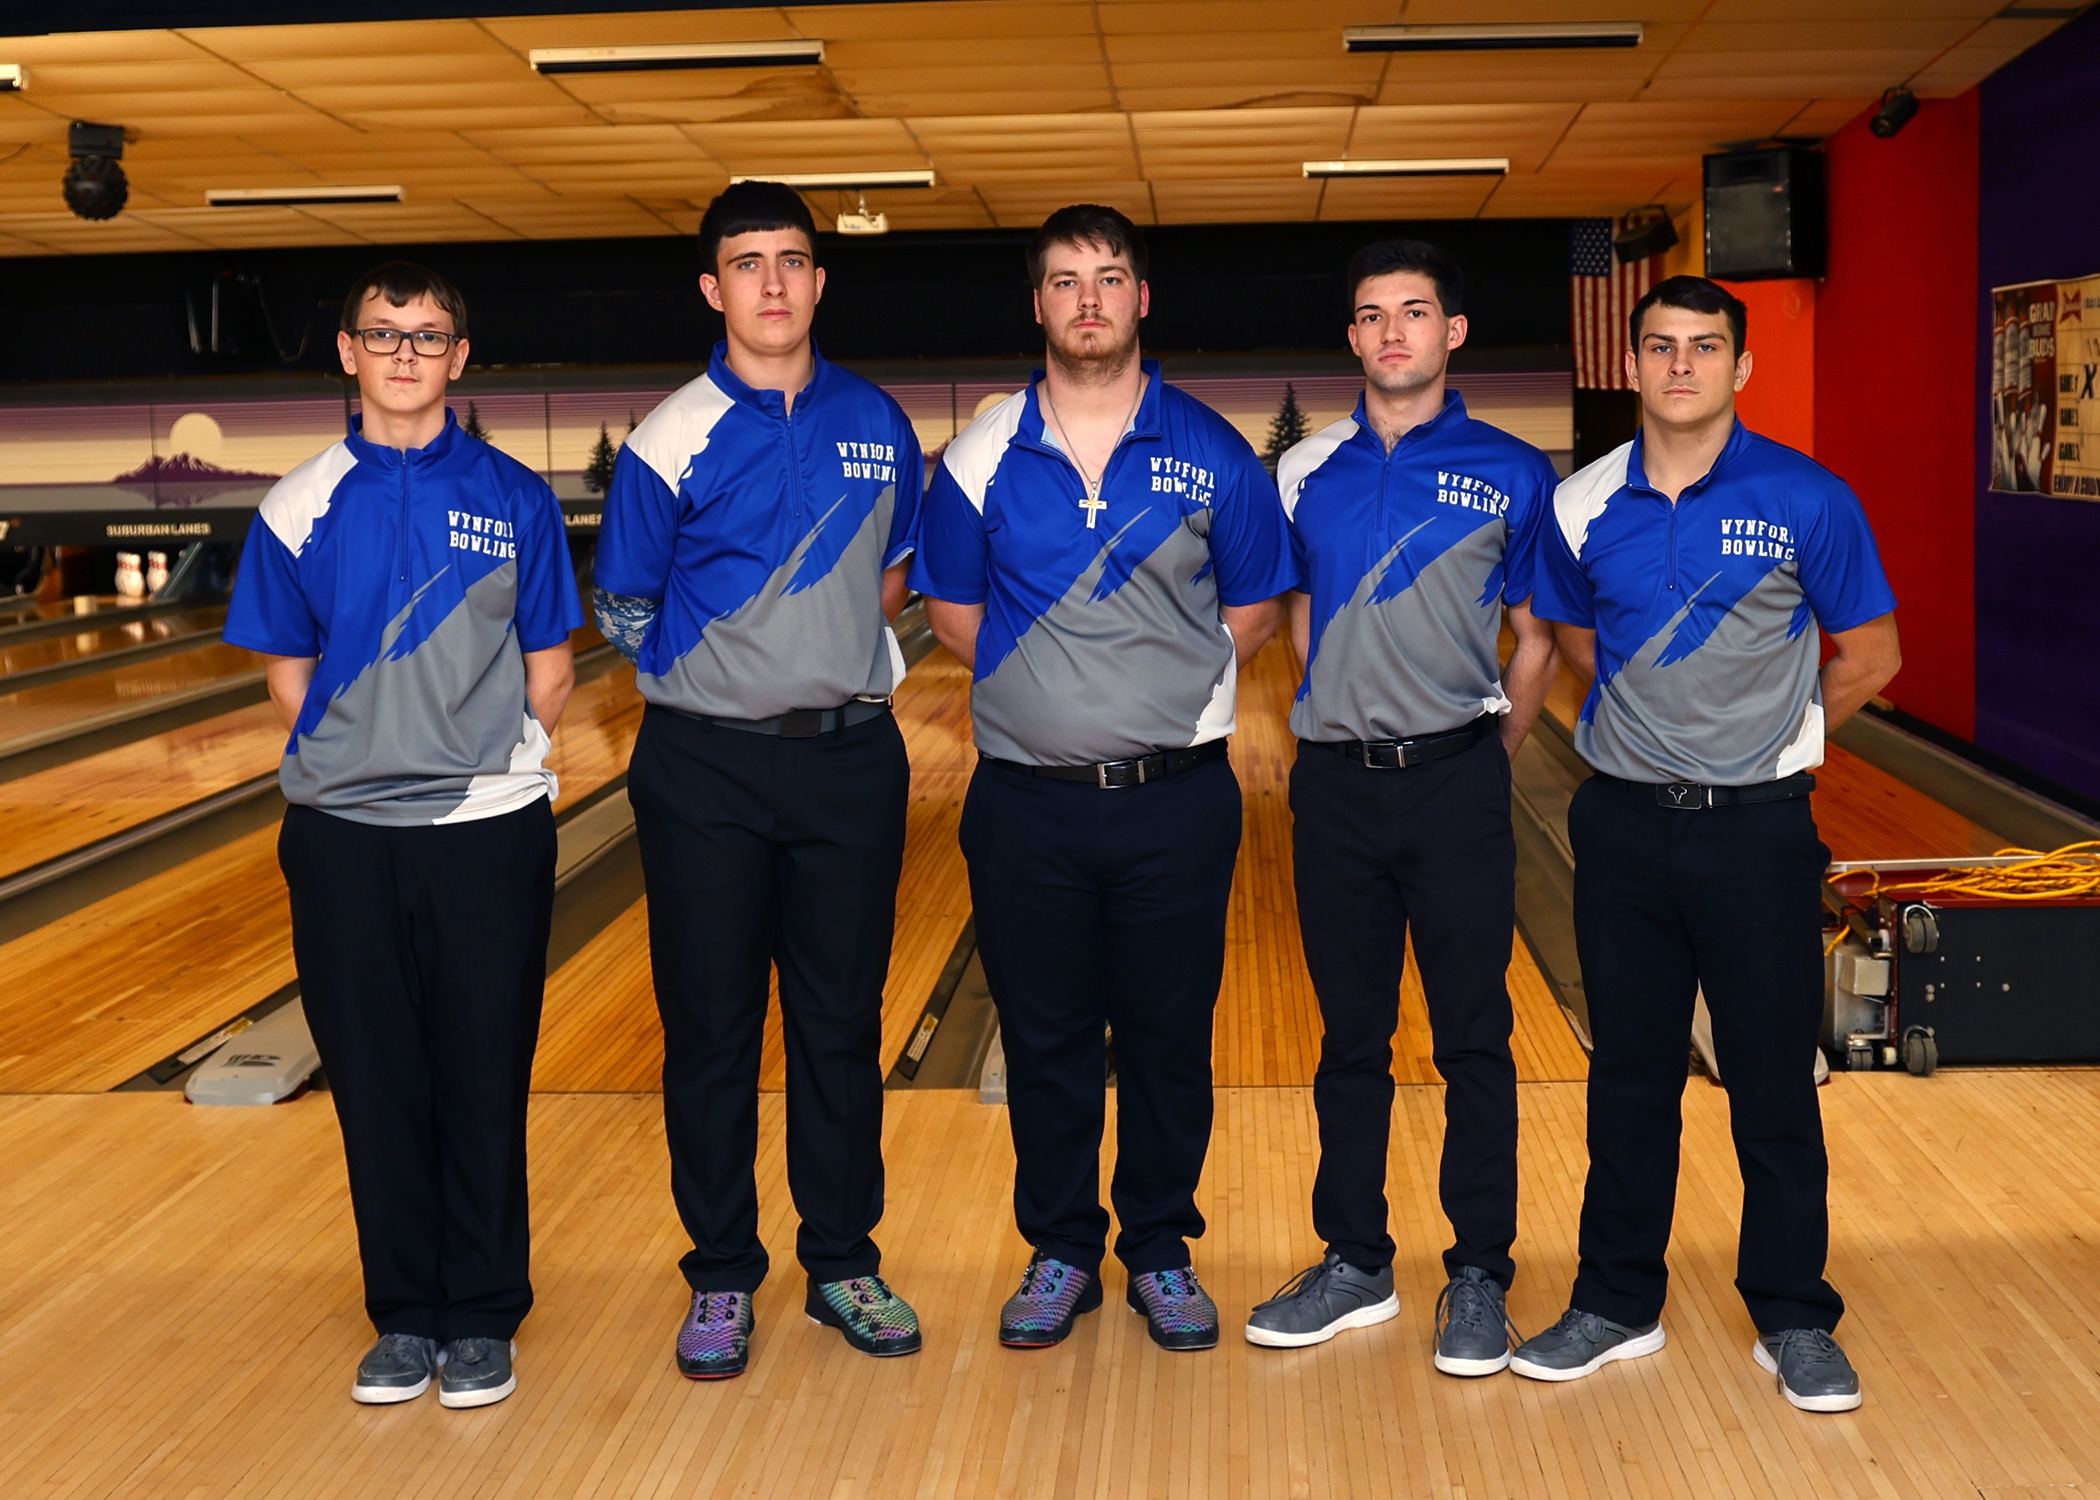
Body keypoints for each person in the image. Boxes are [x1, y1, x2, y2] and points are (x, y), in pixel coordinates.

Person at [911, 204, 1296, 1353]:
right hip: (1026, 801)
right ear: (1039, 304)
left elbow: (1256, 608)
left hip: (1176, 798)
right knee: (1045, 1036)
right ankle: (1061, 1248)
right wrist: (1059, 685)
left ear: (1141, 300)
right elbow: (951, 613)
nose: (1089, 299)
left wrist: (1151, 690)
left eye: (1110, 278)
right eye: (1067, 280)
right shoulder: (981, 453)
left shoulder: (1213, 448)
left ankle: (1162, 1248)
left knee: (1171, 1035)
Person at [1514, 275, 1900, 1413]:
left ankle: (1792, 1313)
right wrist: (1644, 714)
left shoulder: (1807, 497)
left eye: (1705, 347)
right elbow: (1569, 623)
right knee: (1629, 1073)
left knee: (1772, 1078)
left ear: (1741, 369)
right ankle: (1616, 1299)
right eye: (1660, 346)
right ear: (1630, 365)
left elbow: (1871, 653)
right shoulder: (1581, 501)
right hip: (1625, 824)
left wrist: (1775, 735)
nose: (1680, 365)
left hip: (1759, 834)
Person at [225, 262, 580, 1409]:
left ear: (460, 357)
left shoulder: (516, 495)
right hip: (341, 838)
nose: (406, 354)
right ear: (347, 352)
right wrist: (363, 763)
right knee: (375, 1080)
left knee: (482, 1072)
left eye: (428, 336)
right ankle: (403, 1314)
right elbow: (287, 675)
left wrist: (477, 762)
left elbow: (551, 667)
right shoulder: (297, 503)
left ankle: (480, 1314)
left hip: (486, 830)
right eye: (384, 335)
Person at [592, 181, 925, 1381]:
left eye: (793, 260)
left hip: (848, 761)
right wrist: (730, 680)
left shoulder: (879, 422)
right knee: (713, 1031)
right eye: (749, 263)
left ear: (820, 281)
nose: (773, 283)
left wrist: (812, 663)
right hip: (704, 771)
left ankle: (841, 1261)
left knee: (841, 1024)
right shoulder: (670, 436)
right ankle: (723, 1275)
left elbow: (893, 577)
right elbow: (626, 607)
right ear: (712, 287)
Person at [1242, 240, 1559, 1374]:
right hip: (1335, 786)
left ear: (1451, 333)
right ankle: (1356, 1260)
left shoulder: (1515, 470)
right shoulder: (1306, 473)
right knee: (1350, 1038)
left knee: (1474, 1035)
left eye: (1413, 313)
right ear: (1354, 336)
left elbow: (1535, 641)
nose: (1391, 333)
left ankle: (1477, 1272)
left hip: (1456, 779)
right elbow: (1279, 612)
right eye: (1371, 314)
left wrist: (1489, 749)